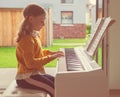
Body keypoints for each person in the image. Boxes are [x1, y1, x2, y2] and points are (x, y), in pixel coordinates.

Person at [15, 4, 64, 97]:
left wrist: (53, 53)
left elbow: (38, 53)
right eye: (41, 21)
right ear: (31, 19)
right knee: (55, 90)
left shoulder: (33, 35)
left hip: (34, 74)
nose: (44, 24)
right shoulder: (26, 39)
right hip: (26, 77)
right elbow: (30, 63)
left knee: (59, 83)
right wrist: (51, 57)